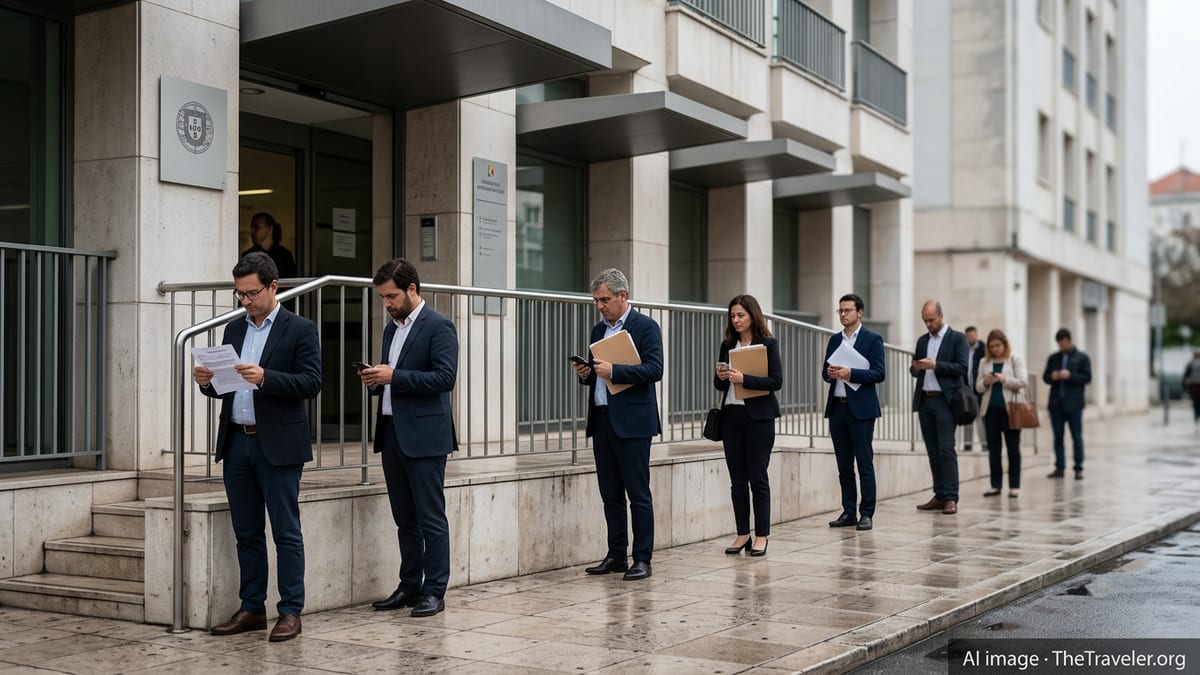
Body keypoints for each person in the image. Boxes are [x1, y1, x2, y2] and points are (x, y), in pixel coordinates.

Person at [193, 252, 321, 642]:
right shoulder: (234, 330)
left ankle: (290, 611)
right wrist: (206, 382)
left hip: (279, 445)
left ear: (273, 287)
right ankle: (251, 608)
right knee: (246, 531)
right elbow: (225, 385)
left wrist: (267, 378)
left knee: (286, 531)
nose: (245, 301)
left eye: (251, 293)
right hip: (237, 443)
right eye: (240, 295)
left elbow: (311, 383)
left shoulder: (300, 328)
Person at [360, 258, 458, 618]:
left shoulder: (440, 326)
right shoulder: (391, 329)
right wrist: (376, 379)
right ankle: (409, 585)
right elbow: (393, 378)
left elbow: (444, 379)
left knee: (431, 517)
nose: (386, 304)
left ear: (412, 289)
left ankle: (435, 590)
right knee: (404, 518)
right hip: (391, 432)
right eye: (383, 297)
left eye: (391, 296)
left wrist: (394, 377)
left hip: (426, 437)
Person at [572, 268, 663, 581]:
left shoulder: (646, 327)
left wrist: (617, 370)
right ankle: (616, 554)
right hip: (602, 419)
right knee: (610, 493)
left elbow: (655, 369)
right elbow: (600, 372)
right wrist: (588, 374)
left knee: (637, 493)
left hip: (634, 422)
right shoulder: (599, 331)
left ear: (623, 296)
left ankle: (642, 558)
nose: (600, 305)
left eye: (605, 299)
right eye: (596, 300)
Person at [714, 294, 783, 555]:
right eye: (733, 316)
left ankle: (762, 535)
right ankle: (742, 533)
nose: (736, 320)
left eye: (741, 315)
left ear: (753, 315)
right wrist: (721, 376)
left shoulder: (768, 343)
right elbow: (720, 386)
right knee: (737, 480)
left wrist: (745, 378)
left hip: (759, 419)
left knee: (758, 478)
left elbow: (776, 381)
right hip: (732, 416)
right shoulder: (727, 344)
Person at [822, 294, 885, 531]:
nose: (843, 314)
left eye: (848, 310)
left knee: (864, 462)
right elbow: (824, 373)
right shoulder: (834, 340)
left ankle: (866, 513)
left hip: (861, 411)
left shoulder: (873, 339)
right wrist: (831, 373)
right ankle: (848, 511)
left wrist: (851, 373)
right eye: (840, 311)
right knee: (844, 464)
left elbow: (879, 373)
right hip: (837, 408)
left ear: (860, 312)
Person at [911, 300, 969, 515]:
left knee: (946, 449)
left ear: (941, 316)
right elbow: (915, 370)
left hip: (946, 401)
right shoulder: (922, 340)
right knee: (933, 451)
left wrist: (936, 365)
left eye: (931, 320)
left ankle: (951, 497)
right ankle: (940, 494)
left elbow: (962, 368)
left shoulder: (957, 338)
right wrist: (916, 367)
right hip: (925, 400)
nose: (928, 324)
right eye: (925, 320)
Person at [975, 329, 1026, 498]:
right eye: (992, 346)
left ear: (1004, 344)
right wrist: (986, 381)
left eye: (998, 345)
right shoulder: (984, 362)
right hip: (990, 411)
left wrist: (1005, 379)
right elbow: (978, 387)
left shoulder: (1014, 359)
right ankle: (995, 485)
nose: (995, 349)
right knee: (994, 449)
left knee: (1013, 449)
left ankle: (1014, 486)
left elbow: (1023, 382)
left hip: (1011, 409)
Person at [1043, 328, 1092, 480]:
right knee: (1058, 437)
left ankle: (1078, 468)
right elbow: (1046, 377)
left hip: (1074, 404)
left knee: (1076, 436)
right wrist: (1053, 376)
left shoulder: (1082, 357)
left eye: (1064, 343)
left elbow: (1087, 377)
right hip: (1056, 404)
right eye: (1059, 344)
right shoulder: (1053, 358)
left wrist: (1071, 376)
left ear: (1069, 341)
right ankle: (1059, 467)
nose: (1061, 346)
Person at [242, 212, 298, 279]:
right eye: (251, 227)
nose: (252, 231)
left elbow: (290, 281)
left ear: (269, 229)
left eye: (256, 227)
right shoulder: (247, 255)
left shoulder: (284, 255)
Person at [961, 326, 986, 452]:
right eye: (967, 336)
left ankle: (984, 443)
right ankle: (967, 443)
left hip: (979, 388)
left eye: (971, 335)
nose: (969, 338)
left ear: (976, 335)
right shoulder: (963, 349)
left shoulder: (983, 349)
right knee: (967, 414)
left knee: (980, 417)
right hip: (967, 388)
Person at [1186, 351, 1200, 430]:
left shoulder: (1191, 364)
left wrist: (1185, 386)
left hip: (1193, 385)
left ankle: (1196, 415)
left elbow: (1186, 375)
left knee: (1195, 401)